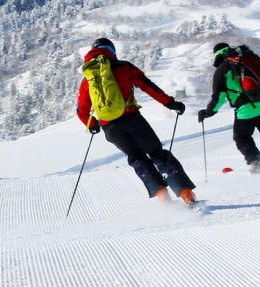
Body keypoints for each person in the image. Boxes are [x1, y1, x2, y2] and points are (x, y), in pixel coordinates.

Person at [75, 38, 197, 205]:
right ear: (112, 51)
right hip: (132, 119)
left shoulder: (88, 79)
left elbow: (81, 110)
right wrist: (170, 103)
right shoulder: (124, 67)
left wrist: (92, 125)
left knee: (136, 157)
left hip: (111, 128)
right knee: (157, 153)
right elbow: (148, 86)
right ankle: (185, 194)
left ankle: (162, 196)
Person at [198, 43, 260, 174]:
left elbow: (218, 98)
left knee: (242, 137)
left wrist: (207, 113)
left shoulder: (222, 70)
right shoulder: (248, 57)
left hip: (246, 111)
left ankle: (259, 167)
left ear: (216, 55)